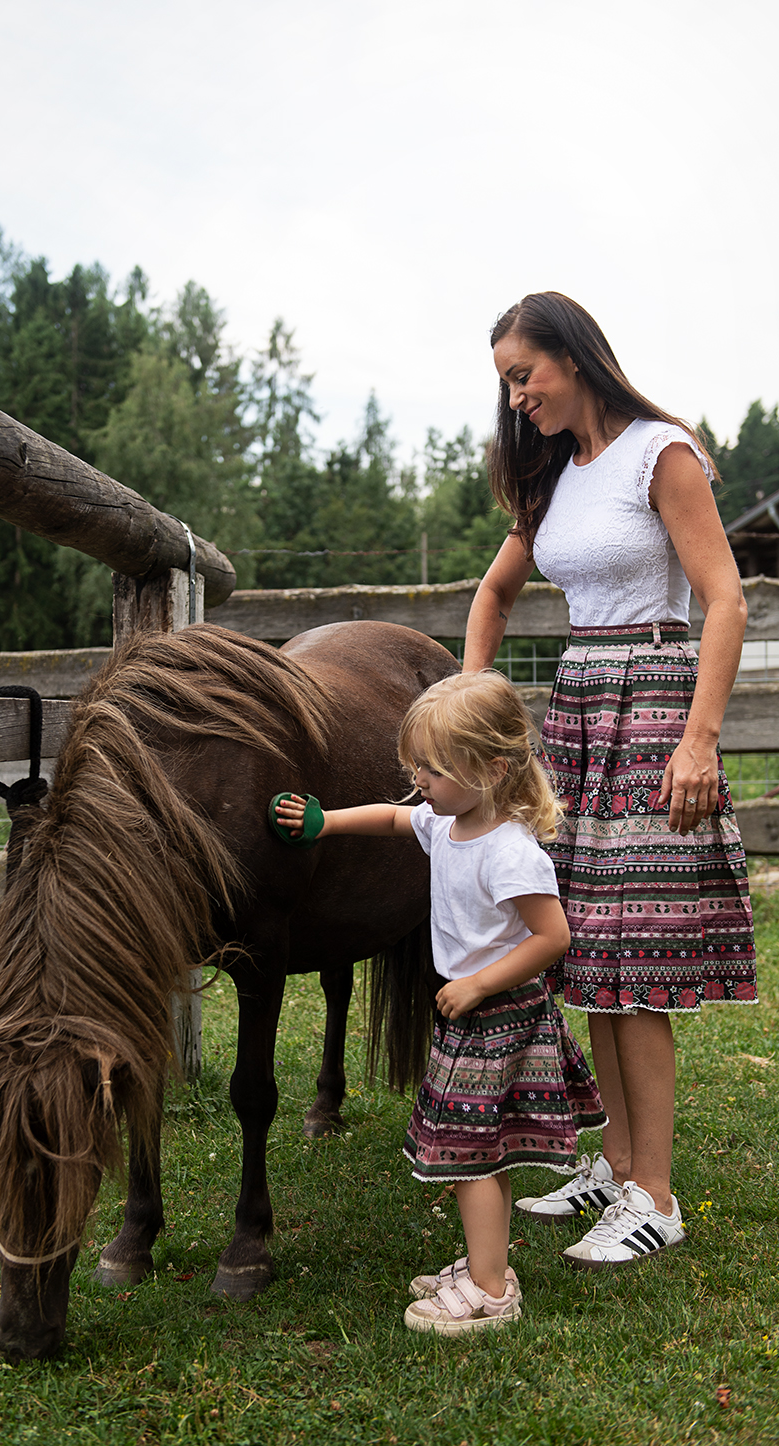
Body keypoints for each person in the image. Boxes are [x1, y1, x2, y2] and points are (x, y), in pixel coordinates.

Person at [461, 291, 756, 1268]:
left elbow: (724, 600)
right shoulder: (551, 478)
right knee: (586, 946)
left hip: (657, 703)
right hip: (583, 710)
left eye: (523, 374)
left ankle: (655, 1198)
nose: (515, 398)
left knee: (636, 960)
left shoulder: (658, 452)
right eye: (505, 381)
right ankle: (619, 1163)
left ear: (574, 359)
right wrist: (470, 697)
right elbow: (495, 592)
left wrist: (699, 739)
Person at [274, 670, 607, 1335]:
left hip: (499, 1017)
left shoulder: (511, 854)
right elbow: (396, 817)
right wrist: (325, 822)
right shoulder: (448, 822)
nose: (418, 780)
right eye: (415, 766)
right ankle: (488, 1263)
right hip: (469, 1015)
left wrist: (481, 983)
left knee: (471, 1154)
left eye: (432, 768)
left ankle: (490, 1292)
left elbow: (553, 937)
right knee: (471, 1153)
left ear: (492, 767)